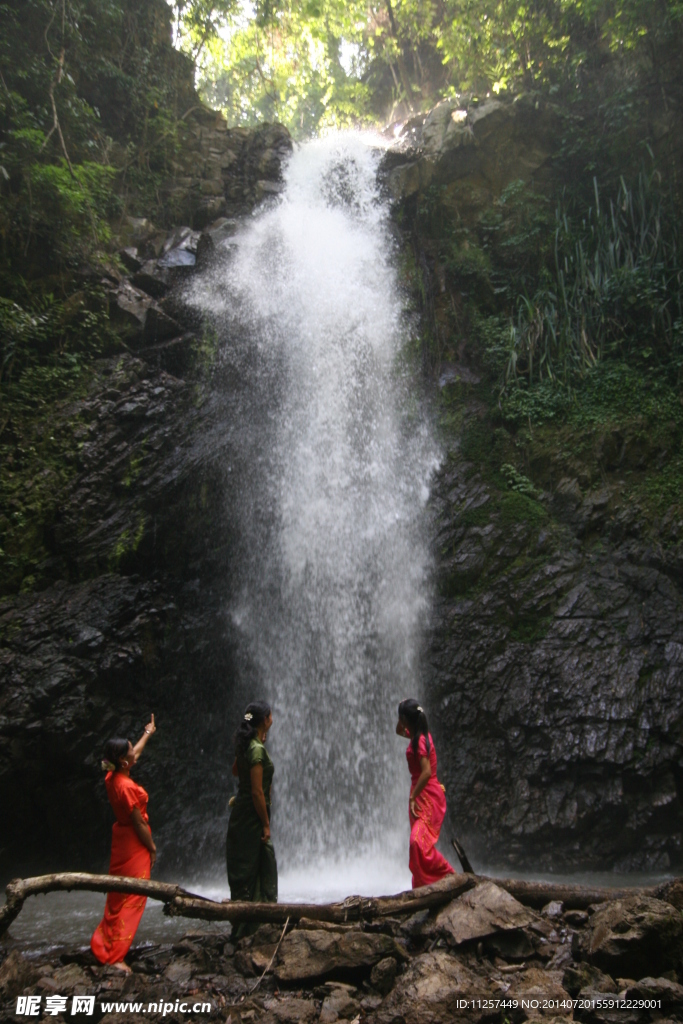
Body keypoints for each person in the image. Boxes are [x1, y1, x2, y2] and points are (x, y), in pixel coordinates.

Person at [91, 715, 157, 972]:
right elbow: (140, 824)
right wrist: (151, 847)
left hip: (121, 840)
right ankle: (116, 956)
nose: (134, 752)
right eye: (129, 750)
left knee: (118, 897)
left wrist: (148, 733)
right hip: (134, 843)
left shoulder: (112, 778)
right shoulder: (127, 786)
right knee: (134, 897)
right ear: (122, 761)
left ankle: (104, 944)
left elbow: (135, 756)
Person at [226, 701, 277, 931]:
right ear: (265, 719)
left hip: (241, 812)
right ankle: (255, 925)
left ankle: (246, 922)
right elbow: (257, 792)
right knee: (259, 862)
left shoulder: (247, 745)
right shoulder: (256, 749)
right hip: (252, 815)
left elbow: (236, 770)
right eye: (270, 715)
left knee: (247, 864)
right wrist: (266, 824)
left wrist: (258, 741)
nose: (272, 717)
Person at [396, 698, 455, 889]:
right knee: (419, 844)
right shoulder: (416, 734)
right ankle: (423, 887)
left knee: (417, 842)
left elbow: (427, 772)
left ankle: (449, 875)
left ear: (407, 719)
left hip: (426, 796)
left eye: (402, 718)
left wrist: (413, 797)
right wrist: (401, 712)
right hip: (420, 795)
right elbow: (398, 731)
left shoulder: (420, 740)